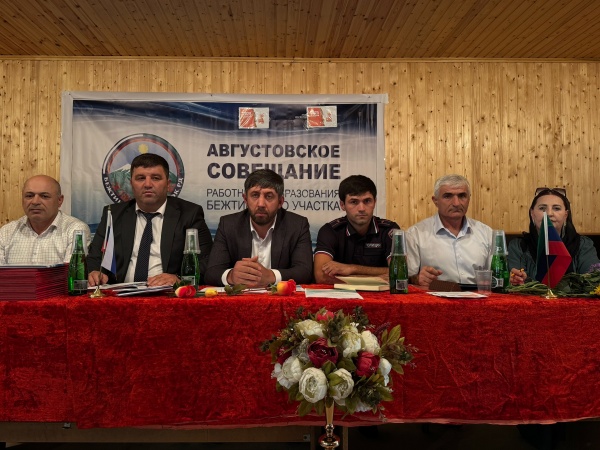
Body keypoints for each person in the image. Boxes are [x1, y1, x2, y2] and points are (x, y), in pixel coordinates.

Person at [88, 153, 212, 286]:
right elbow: (95, 257)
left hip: (168, 293)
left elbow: (207, 261)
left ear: (168, 184)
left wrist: (179, 279)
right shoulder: (113, 214)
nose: (147, 184)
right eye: (140, 178)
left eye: (156, 178)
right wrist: (94, 272)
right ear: (131, 183)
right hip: (121, 293)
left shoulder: (189, 214)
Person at [204, 169, 313, 287]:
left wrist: (271, 276)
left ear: (280, 202)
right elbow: (211, 272)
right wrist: (231, 276)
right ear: (245, 199)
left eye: (269, 196)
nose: (261, 204)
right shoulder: (228, 225)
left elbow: (305, 272)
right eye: (255, 195)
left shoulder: (297, 225)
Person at [406, 174, 493, 288]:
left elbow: (497, 276)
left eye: (462, 196)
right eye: (448, 196)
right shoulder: (415, 235)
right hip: (435, 297)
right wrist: (418, 279)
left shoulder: (486, 233)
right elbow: (407, 278)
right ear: (435, 201)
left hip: (478, 296)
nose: (456, 203)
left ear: (469, 199)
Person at [313, 175, 400, 284]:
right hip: (341, 294)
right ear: (342, 205)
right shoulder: (330, 231)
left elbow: (398, 272)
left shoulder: (390, 230)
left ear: (375, 202)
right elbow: (321, 276)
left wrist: (351, 269)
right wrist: (377, 277)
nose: (361, 208)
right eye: (354, 202)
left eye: (367, 201)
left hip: (382, 293)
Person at [508, 187, 599, 285]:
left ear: (565, 215)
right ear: (532, 213)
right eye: (542, 208)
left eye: (556, 208)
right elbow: (516, 281)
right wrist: (519, 279)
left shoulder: (583, 244)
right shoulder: (518, 246)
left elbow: (594, 278)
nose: (549, 213)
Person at [0, 175, 90, 265]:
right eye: (29, 196)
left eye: (44, 196)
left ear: (59, 200)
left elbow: (72, 271)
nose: (35, 202)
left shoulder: (75, 230)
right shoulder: (6, 232)